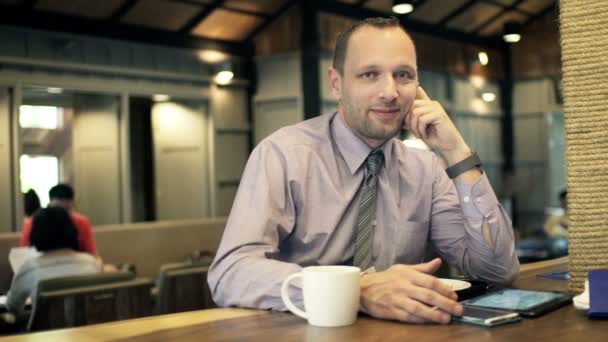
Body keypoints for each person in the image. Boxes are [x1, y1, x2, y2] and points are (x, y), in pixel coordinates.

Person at [208, 17, 519, 324]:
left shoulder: (427, 169)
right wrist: (355, 290)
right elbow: (230, 274)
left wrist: (457, 151)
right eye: (369, 74)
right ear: (336, 83)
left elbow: (497, 272)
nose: (389, 92)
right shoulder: (284, 155)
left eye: (403, 75)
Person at [5, 207, 101, 316]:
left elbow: (12, 307)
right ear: (72, 230)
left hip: (43, 332)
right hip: (87, 331)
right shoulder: (91, 263)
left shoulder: (29, 269)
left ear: (36, 233)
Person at [20, 184, 97, 255]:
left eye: (67, 209)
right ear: (49, 204)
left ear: (73, 205)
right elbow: (25, 253)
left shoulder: (81, 222)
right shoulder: (35, 222)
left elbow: (91, 253)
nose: (61, 215)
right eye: (57, 209)